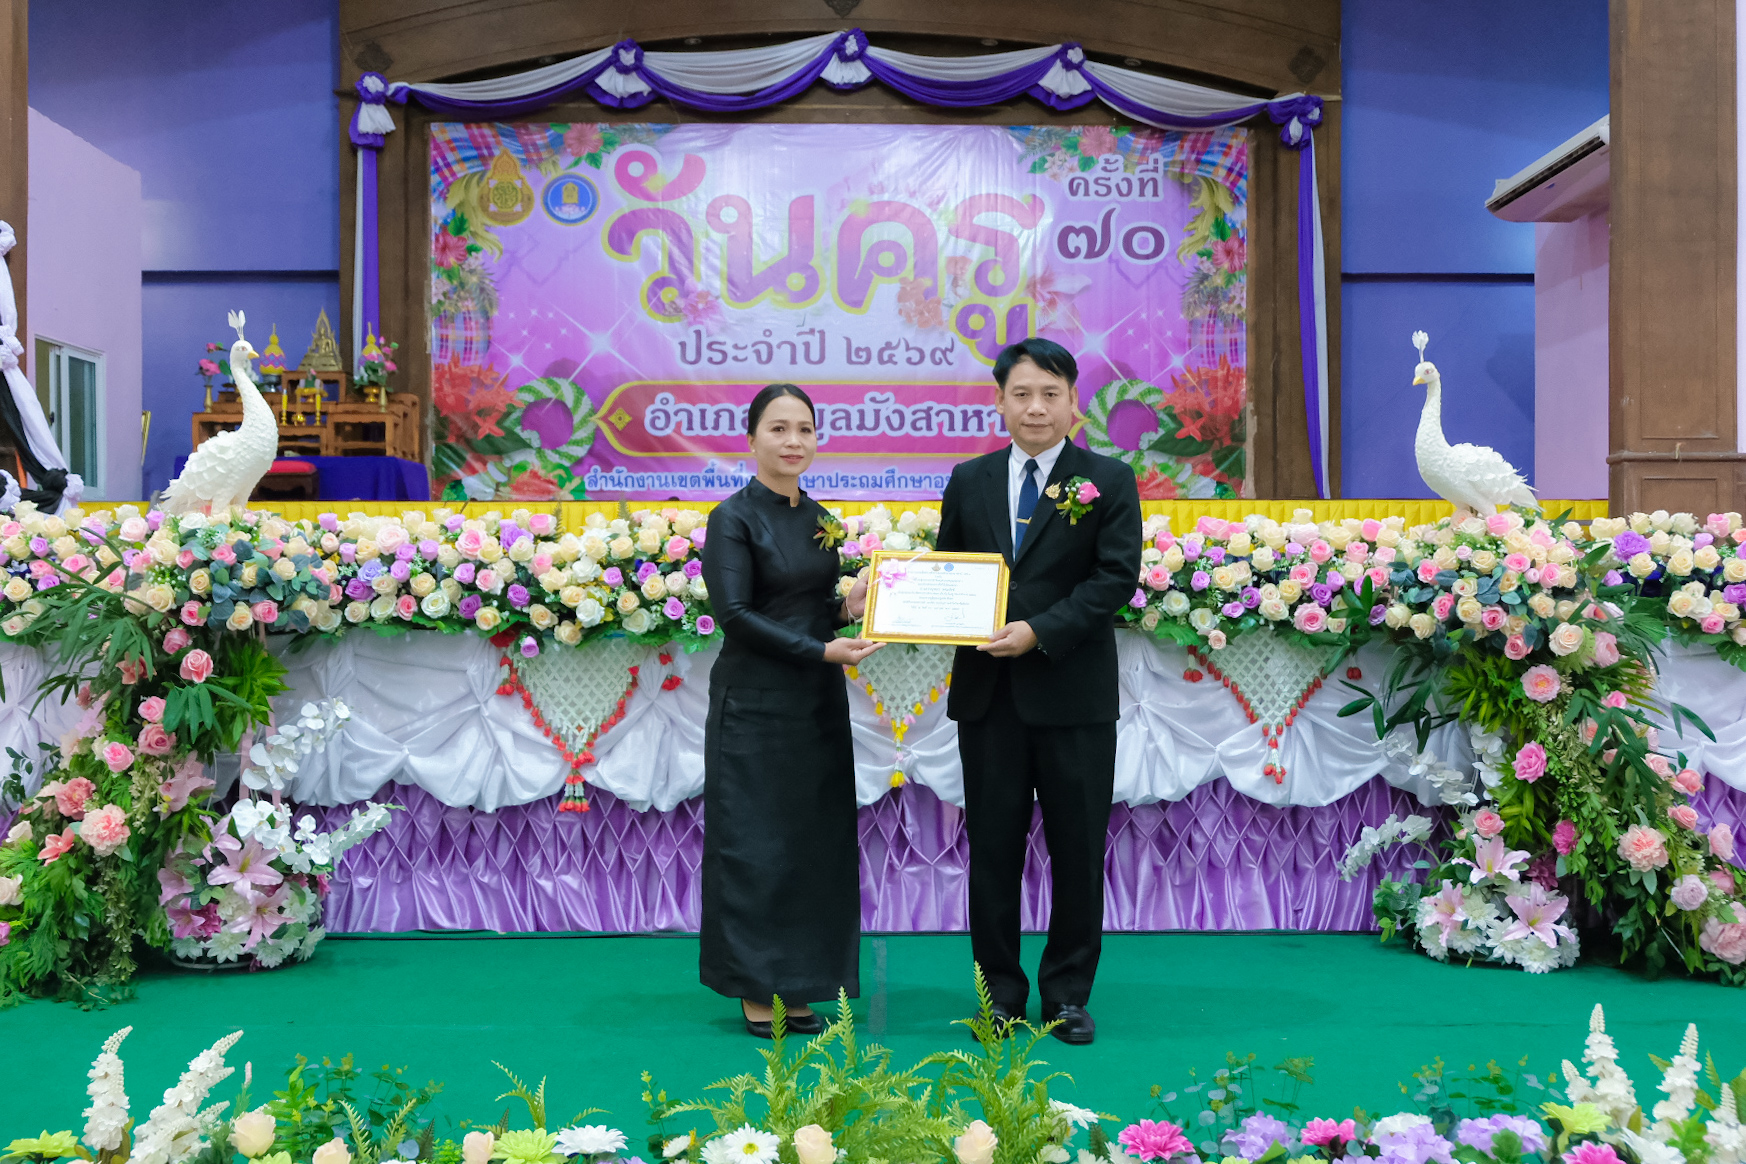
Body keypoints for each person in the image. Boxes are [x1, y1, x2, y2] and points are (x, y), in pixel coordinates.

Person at [935, 337, 1142, 1045]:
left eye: (1051, 394)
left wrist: (1038, 631)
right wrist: (897, 593)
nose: (1036, 407)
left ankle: (1067, 996)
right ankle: (997, 995)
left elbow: (1114, 579)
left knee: (1077, 852)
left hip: (1073, 696)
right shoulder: (969, 480)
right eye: (1021, 394)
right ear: (999, 402)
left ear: (1073, 402)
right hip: (989, 698)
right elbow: (948, 570)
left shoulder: (1108, 480)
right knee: (993, 852)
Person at [699, 382, 883, 1038]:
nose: (793, 441)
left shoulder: (822, 518)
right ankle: (756, 986)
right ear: (751, 438)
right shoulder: (732, 518)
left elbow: (808, 608)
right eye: (778, 429)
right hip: (753, 706)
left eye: (804, 429)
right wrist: (822, 649)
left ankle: (802, 983)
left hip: (816, 704)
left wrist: (848, 608)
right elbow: (736, 615)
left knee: (813, 847)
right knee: (757, 848)